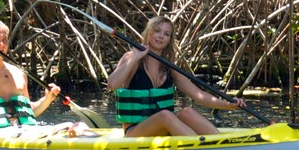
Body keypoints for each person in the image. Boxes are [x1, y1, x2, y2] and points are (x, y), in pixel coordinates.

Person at [106, 16, 247, 137]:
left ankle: (220, 144)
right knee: (166, 115)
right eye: (157, 31)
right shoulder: (132, 59)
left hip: (163, 129)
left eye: (166, 34)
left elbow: (198, 95)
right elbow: (112, 84)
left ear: (169, 39)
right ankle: (203, 149)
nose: (161, 36)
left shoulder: (169, 67)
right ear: (149, 33)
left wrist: (228, 104)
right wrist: (134, 58)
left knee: (187, 112)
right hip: (135, 131)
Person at [0, 19, 90, 137]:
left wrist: (47, 99)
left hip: (27, 131)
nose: (2, 45)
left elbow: (29, 110)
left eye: (5, 40)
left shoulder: (18, 73)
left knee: (77, 126)